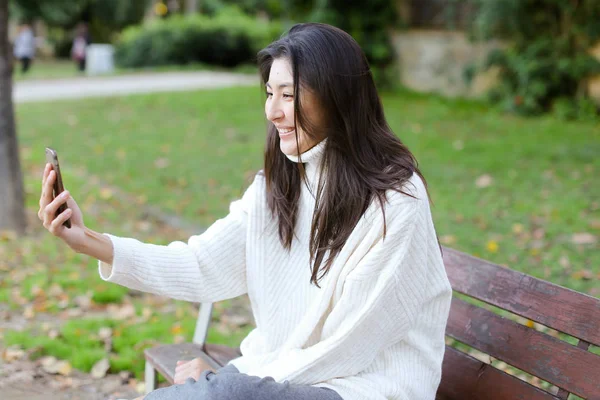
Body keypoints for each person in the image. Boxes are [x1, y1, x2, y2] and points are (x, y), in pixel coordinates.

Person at [39, 23, 453, 400]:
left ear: (337, 97)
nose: (272, 112)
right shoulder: (282, 183)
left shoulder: (395, 201)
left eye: (288, 95)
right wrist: (90, 241)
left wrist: (237, 379)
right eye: (270, 93)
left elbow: (350, 347)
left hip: (366, 390)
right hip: (286, 380)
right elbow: (202, 264)